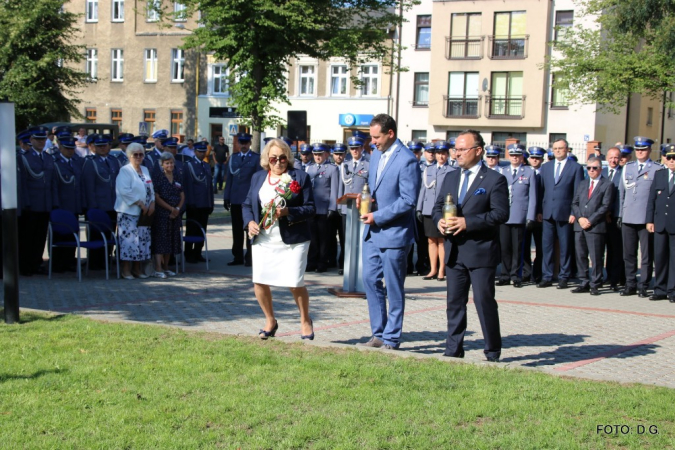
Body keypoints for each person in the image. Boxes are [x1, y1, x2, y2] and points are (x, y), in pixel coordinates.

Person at [433, 129, 509, 362]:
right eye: (455, 149)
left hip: (481, 252)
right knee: (454, 303)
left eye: (462, 149)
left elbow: (500, 214)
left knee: (484, 302)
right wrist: (439, 222)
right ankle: (453, 350)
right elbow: (437, 207)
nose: (456, 154)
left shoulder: (495, 179)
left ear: (478, 150)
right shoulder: (451, 177)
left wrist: (467, 222)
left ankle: (492, 351)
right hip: (455, 252)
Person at [242, 138, 316, 340]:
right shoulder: (258, 177)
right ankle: (270, 320)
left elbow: (310, 208)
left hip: (293, 239)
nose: (278, 162)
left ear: (288, 158)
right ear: (267, 159)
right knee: (259, 281)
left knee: (295, 282)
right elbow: (247, 205)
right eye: (273, 158)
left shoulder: (299, 177)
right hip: (264, 238)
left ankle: (305, 320)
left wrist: (288, 211)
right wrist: (249, 222)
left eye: (282, 158)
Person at [357, 114, 420, 350]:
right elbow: (373, 190)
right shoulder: (375, 155)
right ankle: (378, 333)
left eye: (376, 137)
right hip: (372, 232)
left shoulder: (407, 161)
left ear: (390, 133)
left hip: (394, 233)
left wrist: (378, 215)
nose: (372, 142)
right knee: (370, 280)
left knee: (393, 286)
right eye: (371, 137)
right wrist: (364, 201)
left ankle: (392, 337)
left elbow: (408, 200)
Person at [537, 139, 585, 289]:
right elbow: (541, 191)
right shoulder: (546, 167)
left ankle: (564, 276)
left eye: (560, 148)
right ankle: (547, 276)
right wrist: (539, 210)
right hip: (547, 213)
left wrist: (574, 213)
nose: (557, 151)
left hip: (565, 213)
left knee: (565, 247)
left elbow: (578, 192)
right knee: (547, 247)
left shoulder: (575, 168)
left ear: (567, 150)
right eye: (555, 148)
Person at [619, 136, 661, 297]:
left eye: (643, 149)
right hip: (628, 216)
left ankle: (643, 285)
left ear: (649, 151)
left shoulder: (656, 168)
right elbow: (622, 194)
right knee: (628, 254)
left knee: (646, 255)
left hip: (645, 218)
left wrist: (652, 219)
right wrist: (621, 215)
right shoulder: (628, 167)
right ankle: (630, 284)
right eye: (638, 150)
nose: (640, 152)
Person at [17, 126, 59, 276]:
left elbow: (52, 181)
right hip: (31, 204)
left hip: (45, 203)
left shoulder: (48, 158)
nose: (41, 142)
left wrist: (54, 201)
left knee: (41, 237)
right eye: (38, 139)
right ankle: (25, 266)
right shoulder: (24, 157)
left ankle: (37, 263)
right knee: (27, 237)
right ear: (31, 140)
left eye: (43, 139)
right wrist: (25, 202)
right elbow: (23, 183)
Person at [571, 156, 614, 296]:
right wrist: (580, 218)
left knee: (596, 257)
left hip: (595, 226)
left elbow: (605, 205)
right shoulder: (583, 184)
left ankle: (595, 283)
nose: (591, 170)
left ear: (600, 169)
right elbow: (574, 203)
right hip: (580, 226)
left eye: (594, 168)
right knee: (580, 255)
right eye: (589, 168)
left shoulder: (607, 184)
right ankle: (583, 281)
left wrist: (590, 220)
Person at [497, 143, 537, 288]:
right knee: (505, 247)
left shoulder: (529, 172)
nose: (514, 158)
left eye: (517, 155)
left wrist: (530, 216)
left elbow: (533, 196)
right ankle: (505, 275)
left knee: (518, 248)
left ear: (522, 157)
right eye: (512, 155)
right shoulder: (503, 171)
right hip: (504, 215)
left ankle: (516, 276)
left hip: (520, 215)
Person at [114, 143, 155, 280]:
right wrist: (140, 203)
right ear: (129, 156)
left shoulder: (145, 169)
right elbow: (124, 191)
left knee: (141, 242)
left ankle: (137, 269)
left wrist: (152, 202)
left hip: (144, 214)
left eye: (141, 154)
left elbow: (150, 188)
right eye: (135, 154)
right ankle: (126, 270)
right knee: (129, 243)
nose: (138, 157)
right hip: (129, 213)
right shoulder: (125, 171)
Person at [417, 141, 455, 282]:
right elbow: (423, 189)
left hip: (443, 211)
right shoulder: (429, 170)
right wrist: (419, 208)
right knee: (431, 240)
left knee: (442, 241)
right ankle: (432, 269)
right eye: (438, 153)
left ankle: (441, 270)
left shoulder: (452, 171)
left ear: (447, 155)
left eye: (443, 154)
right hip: (428, 209)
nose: (441, 156)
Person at [224, 132, 263, 266]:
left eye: (246, 143)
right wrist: (226, 196)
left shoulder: (256, 158)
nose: (243, 145)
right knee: (236, 230)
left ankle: (250, 257)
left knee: (249, 229)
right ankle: (237, 256)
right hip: (235, 199)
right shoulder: (233, 158)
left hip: (249, 201)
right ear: (238, 143)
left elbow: (259, 179)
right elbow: (229, 179)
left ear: (250, 143)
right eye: (241, 143)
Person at [50, 137, 85, 273]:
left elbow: (79, 185)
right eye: (67, 148)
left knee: (72, 234)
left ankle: (70, 261)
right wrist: (56, 204)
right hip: (62, 205)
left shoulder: (76, 162)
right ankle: (57, 264)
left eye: (72, 148)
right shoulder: (55, 163)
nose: (70, 151)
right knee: (59, 235)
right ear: (60, 148)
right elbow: (54, 186)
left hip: (74, 205)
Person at [337, 137, 370, 276]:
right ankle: (344, 264)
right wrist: (338, 205)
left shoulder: (367, 165)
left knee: (361, 237)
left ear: (362, 149)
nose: (355, 151)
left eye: (357, 148)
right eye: (352, 148)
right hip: (347, 207)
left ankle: (361, 265)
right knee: (346, 238)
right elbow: (341, 186)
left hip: (362, 206)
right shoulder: (345, 165)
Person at [646, 145, 675, 302]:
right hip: (660, 223)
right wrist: (649, 220)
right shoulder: (660, 175)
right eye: (669, 157)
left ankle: (672, 290)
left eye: (674, 158)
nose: (671, 161)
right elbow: (652, 199)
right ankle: (660, 289)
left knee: (674, 259)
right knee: (660, 257)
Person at [305, 143, 339, 272]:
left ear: (326, 154)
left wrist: (332, 208)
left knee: (324, 238)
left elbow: (334, 189)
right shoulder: (309, 169)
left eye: (320, 154)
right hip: (312, 208)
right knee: (312, 237)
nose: (317, 157)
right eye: (315, 154)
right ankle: (312, 261)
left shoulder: (332, 169)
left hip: (324, 208)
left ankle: (322, 262)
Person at [151, 152, 185, 278]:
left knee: (171, 240)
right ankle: (158, 268)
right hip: (162, 214)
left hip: (175, 214)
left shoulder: (177, 177)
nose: (170, 165)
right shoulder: (158, 178)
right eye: (167, 163)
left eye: (171, 162)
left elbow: (182, 195)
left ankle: (166, 267)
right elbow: (156, 196)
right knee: (161, 240)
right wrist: (170, 208)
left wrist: (177, 209)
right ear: (162, 165)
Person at [183, 141, 214, 263]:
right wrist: (190, 202)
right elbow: (188, 186)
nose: (202, 153)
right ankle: (189, 254)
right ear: (195, 151)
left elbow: (209, 187)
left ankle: (198, 252)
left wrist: (210, 203)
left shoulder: (206, 165)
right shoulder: (189, 165)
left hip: (204, 204)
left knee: (202, 229)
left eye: (203, 151)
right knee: (192, 229)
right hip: (194, 204)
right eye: (199, 151)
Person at [603, 147, 625, 291]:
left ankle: (615, 278)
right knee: (601, 249)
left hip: (615, 216)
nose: (613, 160)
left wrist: (612, 212)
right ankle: (606, 275)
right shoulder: (601, 171)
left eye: (616, 157)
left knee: (615, 249)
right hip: (601, 217)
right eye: (611, 157)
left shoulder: (624, 173)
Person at [407, 140, 430, 276]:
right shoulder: (406, 167)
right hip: (408, 207)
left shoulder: (425, 168)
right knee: (408, 238)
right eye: (412, 152)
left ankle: (421, 265)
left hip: (421, 207)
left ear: (421, 153)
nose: (414, 155)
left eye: (417, 152)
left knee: (422, 240)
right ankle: (408, 265)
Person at [524, 147, 545, 283]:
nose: (535, 160)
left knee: (540, 246)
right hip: (526, 215)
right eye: (532, 158)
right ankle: (526, 273)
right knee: (525, 246)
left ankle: (537, 273)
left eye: (537, 158)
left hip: (541, 216)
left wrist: (540, 212)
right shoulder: (525, 172)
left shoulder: (545, 173)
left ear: (542, 159)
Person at [329, 143, 347, 273]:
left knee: (344, 237)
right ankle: (331, 260)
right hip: (331, 207)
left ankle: (343, 262)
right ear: (332, 154)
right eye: (336, 154)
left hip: (345, 207)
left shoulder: (347, 167)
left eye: (341, 154)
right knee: (330, 236)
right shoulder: (329, 168)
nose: (339, 157)